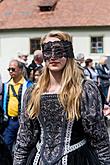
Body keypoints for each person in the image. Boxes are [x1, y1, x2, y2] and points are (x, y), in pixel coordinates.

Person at [13, 31, 110, 165]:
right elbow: (25, 137)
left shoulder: (85, 89)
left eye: (58, 50)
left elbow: (99, 137)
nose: (53, 57)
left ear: (69, 52)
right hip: (38, 159)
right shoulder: (33, 92)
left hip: (77, 159)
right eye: (48, 51)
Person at [2, 59, 32, 152]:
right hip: (9, 122)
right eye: (9, 69)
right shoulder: (6, 85)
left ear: (20, 70)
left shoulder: (28, 85)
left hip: (23, 122)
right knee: (6, 146)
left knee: (23, 147)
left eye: (13, 69)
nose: (11, 71)